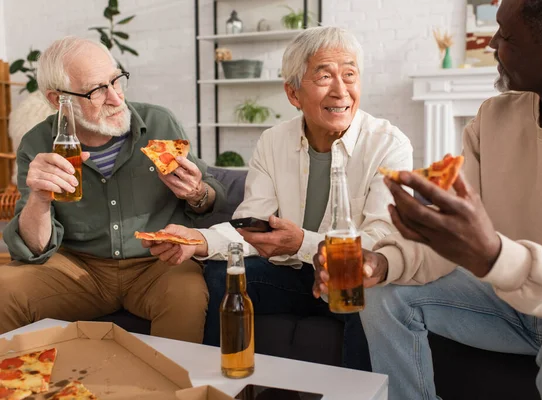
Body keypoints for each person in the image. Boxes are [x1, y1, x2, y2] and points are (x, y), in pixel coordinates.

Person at [313, 0, 542, 398]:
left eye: (508, 37)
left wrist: (493, 256)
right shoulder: (494, 118)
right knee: (381, 291)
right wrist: (382, 262)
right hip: (508, 303)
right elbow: (449, 239)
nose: (493, 44)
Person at [144, 26, 413, 369]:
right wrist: (199, 240)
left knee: (369, 295)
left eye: (349, 74)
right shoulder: (273, 141)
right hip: (288, 274)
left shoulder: (389, 145)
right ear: (293, 93)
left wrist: (301, 242)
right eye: (324, 76)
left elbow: (378, 242)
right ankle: (220, 384)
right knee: (225, 275)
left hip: (345, 278)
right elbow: (252, 224)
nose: (341, 90)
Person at [0, 36, 226, 344]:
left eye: (116, 80)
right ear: (57, 100)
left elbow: (212, 195)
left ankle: (174, 391)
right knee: (4, 290)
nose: (116, 98)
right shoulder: (38, 144)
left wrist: (197, 192)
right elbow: (34, 248)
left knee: (186, 294)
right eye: (96, 90)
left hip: (156, 265)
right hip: (77, 267)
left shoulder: (159, 122)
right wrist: (39, 199)